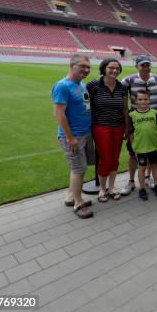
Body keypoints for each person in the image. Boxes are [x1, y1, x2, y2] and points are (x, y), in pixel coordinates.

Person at [52, 54, 93, 219]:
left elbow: (86, 106)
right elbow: (59, 114)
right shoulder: (62, 86)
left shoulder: (82, 84)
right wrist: (70, 137)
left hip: (84, 133)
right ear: (72, 65)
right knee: (78, 168)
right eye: (82, 66)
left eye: (88, 67)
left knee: (79, 168)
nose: (86, 70)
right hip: (73, 136)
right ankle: (78, 203)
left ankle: (71, 196)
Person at [86, 58, 128, 203]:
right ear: (104, 68)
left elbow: (124, 109)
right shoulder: (93, 85)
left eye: (117, 68)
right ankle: (102, 189)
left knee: (115, 159)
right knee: (106, 159)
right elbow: (86, 106)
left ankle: (111, 188)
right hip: (100, 126)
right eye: (111, 68)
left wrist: (127, 128)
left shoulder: (122, 87)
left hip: (119, 126)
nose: (114, 71)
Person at [120, 55, 157, 195]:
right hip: (136, 122)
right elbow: (122, 102)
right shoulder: (128, 80)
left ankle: (147, 178)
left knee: (151, 152)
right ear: (137, 66)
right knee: (133, 153)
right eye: (142, 65)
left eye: (147, 65)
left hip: (152, 122)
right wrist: (127, 127)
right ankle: (131, 182)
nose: (145, 67)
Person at [128, 90, 157, 200]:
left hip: (153, 146)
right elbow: (131, 133)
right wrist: (133, 145)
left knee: (155, 166)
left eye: (145, 99)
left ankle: (156, 185)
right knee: (141, 168)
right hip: (140, 148)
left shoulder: (155, 113)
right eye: (140, 99)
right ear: (136, 101)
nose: (143, 101)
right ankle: (142, 188)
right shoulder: (132, 115)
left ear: (149, 100)